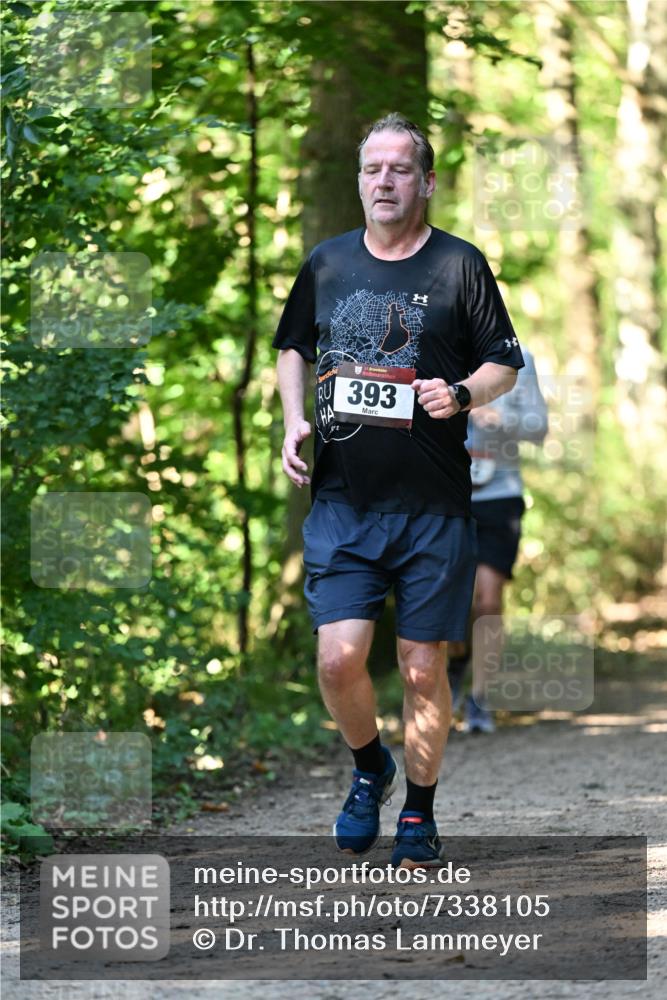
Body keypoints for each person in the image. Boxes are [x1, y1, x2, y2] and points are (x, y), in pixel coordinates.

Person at [273, 112, 524, 869]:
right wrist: (292, 420)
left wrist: (462, 392)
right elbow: (292, 344)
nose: (383, 182)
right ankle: (369, 768)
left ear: (426, 181)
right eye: (371, 169)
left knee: (421, 665)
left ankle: (418, 812)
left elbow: (504, 361)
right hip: (344, 500)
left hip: (434, 507)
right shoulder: (325, 263)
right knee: (337, 661)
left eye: (399, 169)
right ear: (359, 180)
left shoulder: (459, 265)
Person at [448, 351, 548, 734]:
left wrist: (500, 417)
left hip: (500, 495)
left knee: (487, 600)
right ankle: (455, 667)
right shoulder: (440, 344)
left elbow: (539, 427)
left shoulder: (519, 359)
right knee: (455, 602)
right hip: (446, 494)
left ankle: (480, 697)